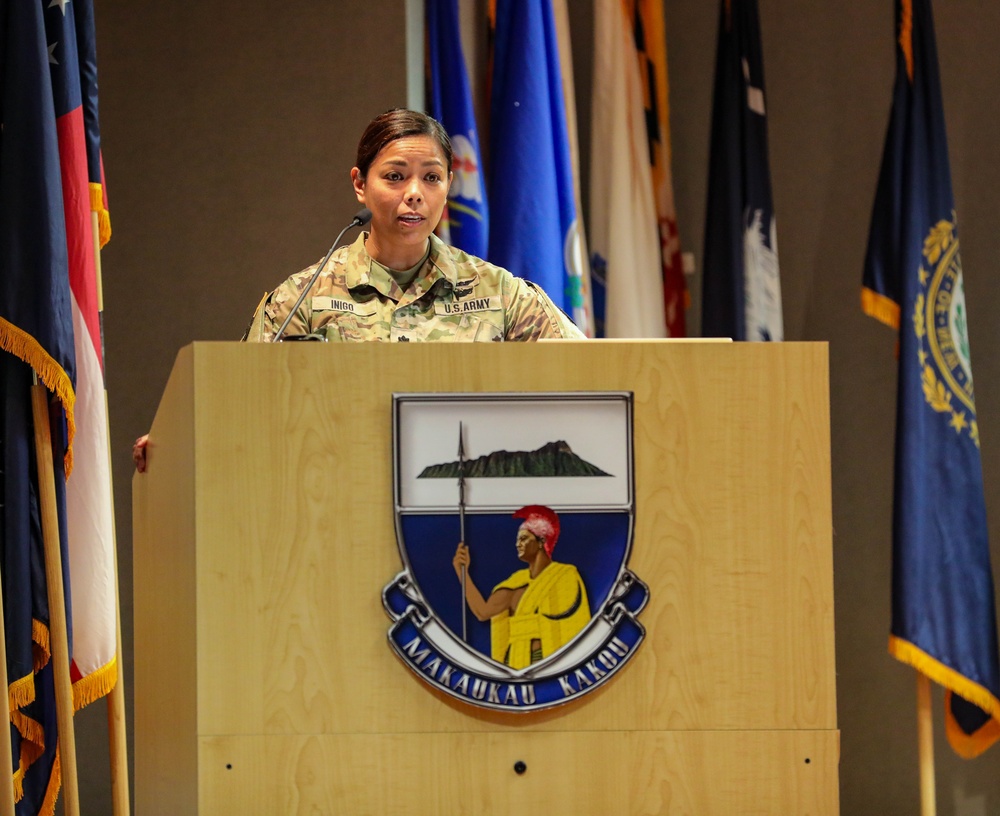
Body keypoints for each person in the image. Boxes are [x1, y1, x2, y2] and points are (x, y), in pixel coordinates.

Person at [132, 108, 584, 470]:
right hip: (335, 500)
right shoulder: (302, 300)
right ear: (359, 185)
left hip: (465, 502)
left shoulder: (499, 294)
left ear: (448, 186)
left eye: (432, 177)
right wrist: (178, 443)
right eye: (394, 176)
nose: (414, 193)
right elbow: (242, 402)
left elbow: (591, 376)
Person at [452, 505, 590, 669]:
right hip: (514, 661)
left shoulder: (564, 576)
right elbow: (482, 612)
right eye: (517, 539)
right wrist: (463, 573)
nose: (517, 544)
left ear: (541, 541)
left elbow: (573, 627)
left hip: (548, 661)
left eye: (524, 538)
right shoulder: (515, 582)